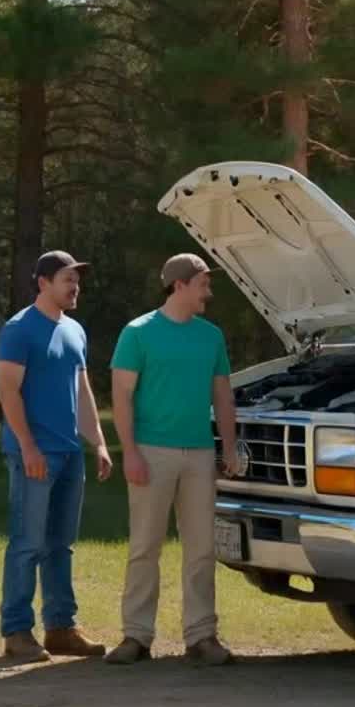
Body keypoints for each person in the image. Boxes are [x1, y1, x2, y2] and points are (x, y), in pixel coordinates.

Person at [106, 252, 239, 666]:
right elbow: (122, 398)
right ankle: (136, 636)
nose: (208, 293)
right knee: (145, 546)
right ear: (179, 285)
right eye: (203, 283)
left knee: (201, 547)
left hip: (199, 454)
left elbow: (222, 394)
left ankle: (202, 636)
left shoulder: (210, 336)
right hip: (151, 452)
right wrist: (129, 453)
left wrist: (229, 447)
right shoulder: (138, 333)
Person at [0, 250, 114, 662]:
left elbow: (83, 391)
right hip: (34, 453)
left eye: (77, 278)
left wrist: (97, 441)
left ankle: (61, 628)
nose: (75, 284)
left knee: (60, 545)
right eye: (67, 277)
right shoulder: (19, 330)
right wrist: (27, 446)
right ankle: (16, 631)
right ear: (43, 282)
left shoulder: (75, 331)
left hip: (69, 454)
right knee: (27, 543)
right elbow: (8, 391)